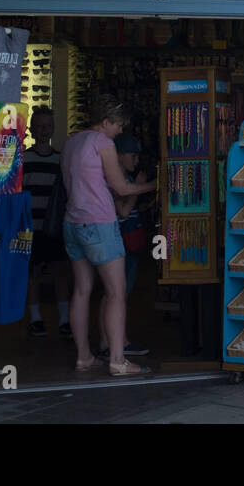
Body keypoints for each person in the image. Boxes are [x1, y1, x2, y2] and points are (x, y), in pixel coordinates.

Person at [61, 95, 156, 376]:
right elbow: (121, 189)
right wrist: (154, 184)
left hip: (72, 221)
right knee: (116, 292)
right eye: (117, 125)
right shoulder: (103, 143)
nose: (120, 131)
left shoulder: (71, 142)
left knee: (81, 290)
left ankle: (84, 357)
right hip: (99, 222)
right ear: (106, 122)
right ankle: (117, 360)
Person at [96, 135, 151, 359]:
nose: (135, 160)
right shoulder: (113, 179)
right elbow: (124, 211)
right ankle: (110, 342)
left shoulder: (123, 177)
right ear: (118, 156)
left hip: (127, 241)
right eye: (132, 155)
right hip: (120, 240)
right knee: (114, 293)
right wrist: (139, 188)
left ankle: (114, 340)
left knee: (118, 293)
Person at [23, 107, 71, 339]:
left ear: (53, 129)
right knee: (32, 273)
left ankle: (64, 320)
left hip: (54, 226)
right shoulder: (23, 158)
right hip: (30, 226)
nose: (44, 131)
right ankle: (35, 318)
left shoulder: (61, 159)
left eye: (48, 127)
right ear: (31, 129)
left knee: (60, 271)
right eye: (40, 126)